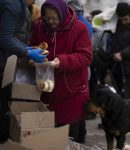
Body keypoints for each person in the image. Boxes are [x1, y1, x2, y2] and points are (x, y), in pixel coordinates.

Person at [30, 0, 92, 143]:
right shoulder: (40, 26)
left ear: (62, 14)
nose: (50, 21)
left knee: (69, 138)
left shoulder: (79, 28)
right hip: (46, 88)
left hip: (72, 91)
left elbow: (86, 56)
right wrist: (32, 56)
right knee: (46, 137)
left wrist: (61, 61)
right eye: (47, 17)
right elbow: (33, 46)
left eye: (54, 18)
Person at [0, 0, 48, 143]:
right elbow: (4, 38)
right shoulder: (13, 5)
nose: (34, 1)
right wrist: (27, 52)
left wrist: (28, 48)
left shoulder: (18, 4)